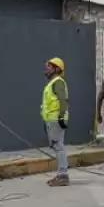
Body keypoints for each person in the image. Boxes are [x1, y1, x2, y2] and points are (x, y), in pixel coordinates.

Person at [41, 56, 70, 186]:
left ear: (57, 69)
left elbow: (63, 100)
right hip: (52, 119)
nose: (46, 70)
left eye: (49, 68)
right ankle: (61, 174)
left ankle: (63, 175)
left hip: (56, 119)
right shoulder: (52, 83)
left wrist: (61, 117)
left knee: (58, 147)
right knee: (57, 146)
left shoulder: (58, 82)